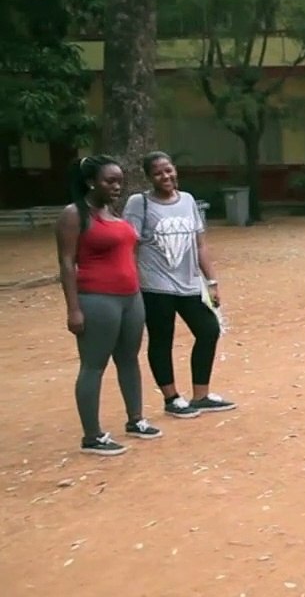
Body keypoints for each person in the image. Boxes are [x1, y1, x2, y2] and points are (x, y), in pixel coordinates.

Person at [55, 155, 162, 456]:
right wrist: (73, 308)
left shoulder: (112, 212)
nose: (117, 186)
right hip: (98, 299)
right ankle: (92, 436)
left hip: (130, 297)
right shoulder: (74, 214)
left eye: (119, 181)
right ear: (91, 182)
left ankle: (136, 419)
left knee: (129, 359)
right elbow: (66, 263)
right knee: (93, 365)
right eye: (110, 181)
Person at [124, 151, 234, 417]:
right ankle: (171, 398)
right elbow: (130, 246)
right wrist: (131, 283)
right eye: (158, 173)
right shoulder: (139, 203)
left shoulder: (187, 200)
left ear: (175, 170)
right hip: (155, 286)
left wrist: (211, 281)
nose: (165, 176)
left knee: (208, 330)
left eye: (168, 170)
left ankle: (201, 395)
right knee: (162, 339)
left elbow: (200, 244)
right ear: (149, 177)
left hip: (189, 284)